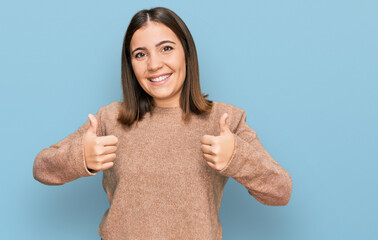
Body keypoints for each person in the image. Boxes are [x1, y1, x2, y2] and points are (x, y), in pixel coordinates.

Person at [33, 6, 292, 240]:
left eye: (166, 48)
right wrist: (81, 157)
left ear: (187, 54)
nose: (154, 64)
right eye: (140, 54)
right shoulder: (109, 119)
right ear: (130, 65)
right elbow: (42, 167)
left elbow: (280, 191)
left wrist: (237, 157)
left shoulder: (224, 120)